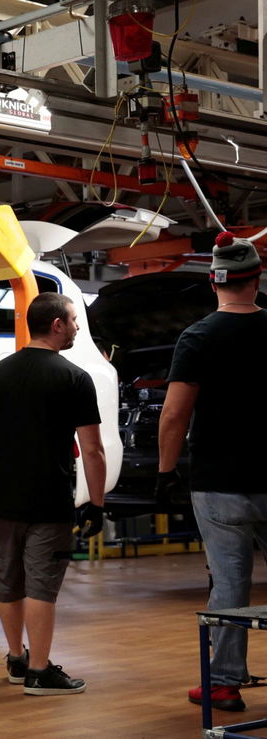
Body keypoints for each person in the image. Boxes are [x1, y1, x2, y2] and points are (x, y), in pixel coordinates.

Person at [158, 231, 267, 714]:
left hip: (218, 482)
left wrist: (165, 470)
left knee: (229, 584)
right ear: (258, 279)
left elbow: (175, 414)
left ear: (213, 283)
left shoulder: (198, 337)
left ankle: (223, 683)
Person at [0, 292, 106, 696]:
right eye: (73, 321)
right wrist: (98, 504)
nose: (76, 328)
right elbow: (93, 449)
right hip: (49, 500)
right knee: (42, 584)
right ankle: (39, 672)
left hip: (3, 498)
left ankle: (17, 658)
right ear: (56, 325)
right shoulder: (75, 378)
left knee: (8, 578)